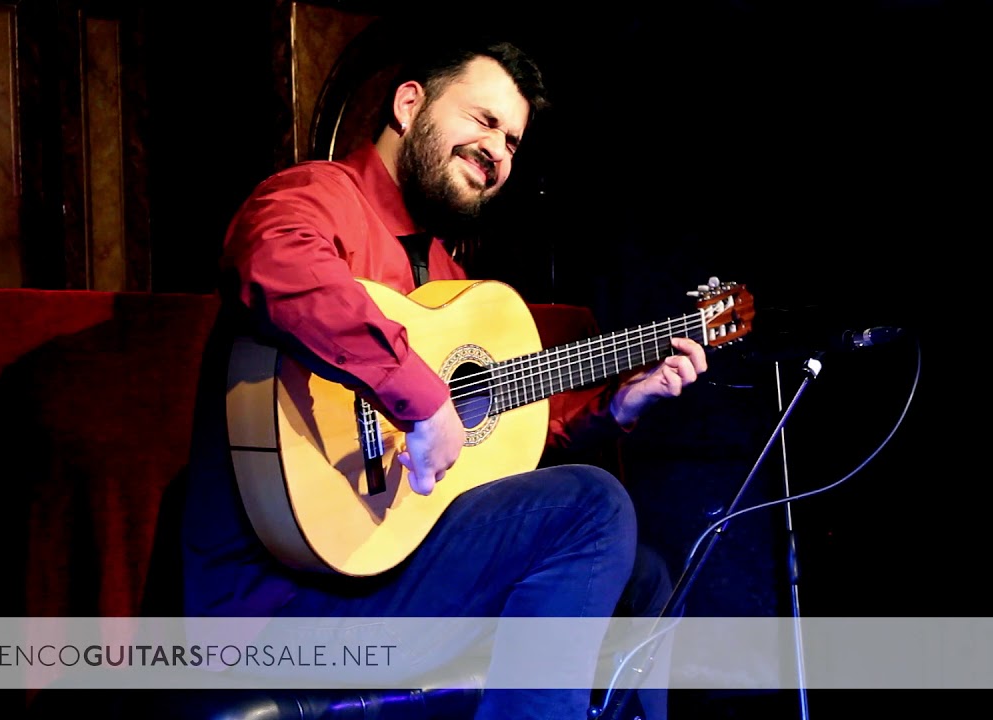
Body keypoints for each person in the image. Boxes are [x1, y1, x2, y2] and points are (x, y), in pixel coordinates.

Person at [179, 32, 707, 720]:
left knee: (648, 573)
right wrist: (422, 400)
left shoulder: (448, 280)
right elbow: (276, 262)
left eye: (513, 142)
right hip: (284, 602)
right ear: (408, 105)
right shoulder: (319, 195)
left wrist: (618, 404)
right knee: (594, 505)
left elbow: (496, 448)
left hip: (386, 574)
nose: (497, 152)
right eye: (483, 121)